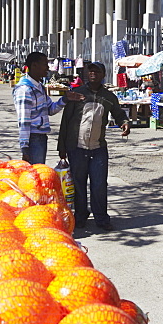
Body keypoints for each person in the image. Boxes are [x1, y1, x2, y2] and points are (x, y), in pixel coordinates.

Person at [57, 62, 130, 231]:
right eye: (90, 71)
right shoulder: (78, 94)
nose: (93, 74)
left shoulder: (109, 97)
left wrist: (124, 123)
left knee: (99, 185)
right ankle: (80, 216)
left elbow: (118, 114)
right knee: (78, 184)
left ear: (103, 74)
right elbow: (65, 121)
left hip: (98, 149)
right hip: (76, 147)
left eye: (97, 71)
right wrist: (62, 147)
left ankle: (102, 219)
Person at [13, 52, 83, 165]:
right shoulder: (25, 90)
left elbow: (50, 109)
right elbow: (24, 121)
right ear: (34, 65)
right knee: (35, 175)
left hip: (41, 137)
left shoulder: (39, 86)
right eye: (45, 64)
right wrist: (25, 146)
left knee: (39, 172)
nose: (48, 68)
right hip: (33, 139)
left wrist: (65, 99)